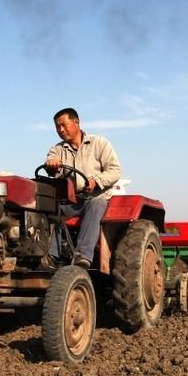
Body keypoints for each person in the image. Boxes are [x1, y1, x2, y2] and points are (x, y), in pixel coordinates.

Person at [44, 107, 122, 268]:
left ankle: (82, 256)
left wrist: (96, 181)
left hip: (97, 197)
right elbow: (50, 163)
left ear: (76, 122)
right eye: (57, 127)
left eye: (63, 125)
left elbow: (115, 170)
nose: (60, 130)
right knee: (48, 209)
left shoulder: (99, 144)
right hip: (72, 200)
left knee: (96, 204)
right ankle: (50, 256)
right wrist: (52, 165)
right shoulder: (57, 149)